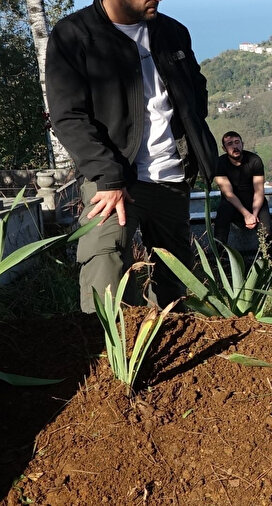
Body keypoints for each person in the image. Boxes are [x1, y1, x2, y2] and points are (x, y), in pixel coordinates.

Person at [46, 0, 218, 313]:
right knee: (105, 265)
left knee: (174, 280)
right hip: (112, 181)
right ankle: (110, 354)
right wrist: (108, 175)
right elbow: (68, 115)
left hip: (171, 176)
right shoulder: (75, 34)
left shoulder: (172, 32)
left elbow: (196, 92)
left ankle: (167, 348)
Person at [213, 131, 272, 258]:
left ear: (242, 144)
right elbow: (228, 193)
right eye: (230, 144)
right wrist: (246, 214)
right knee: (220, 229)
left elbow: (259, 191)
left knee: (267, 231)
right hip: (231, 202)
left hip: (254, 201)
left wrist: (254, 214)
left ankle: (270, 266)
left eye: (237, 142)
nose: (234, 146)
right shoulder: (219, 163)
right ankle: (219, 264)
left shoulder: (254, 160)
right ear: (224, 148)